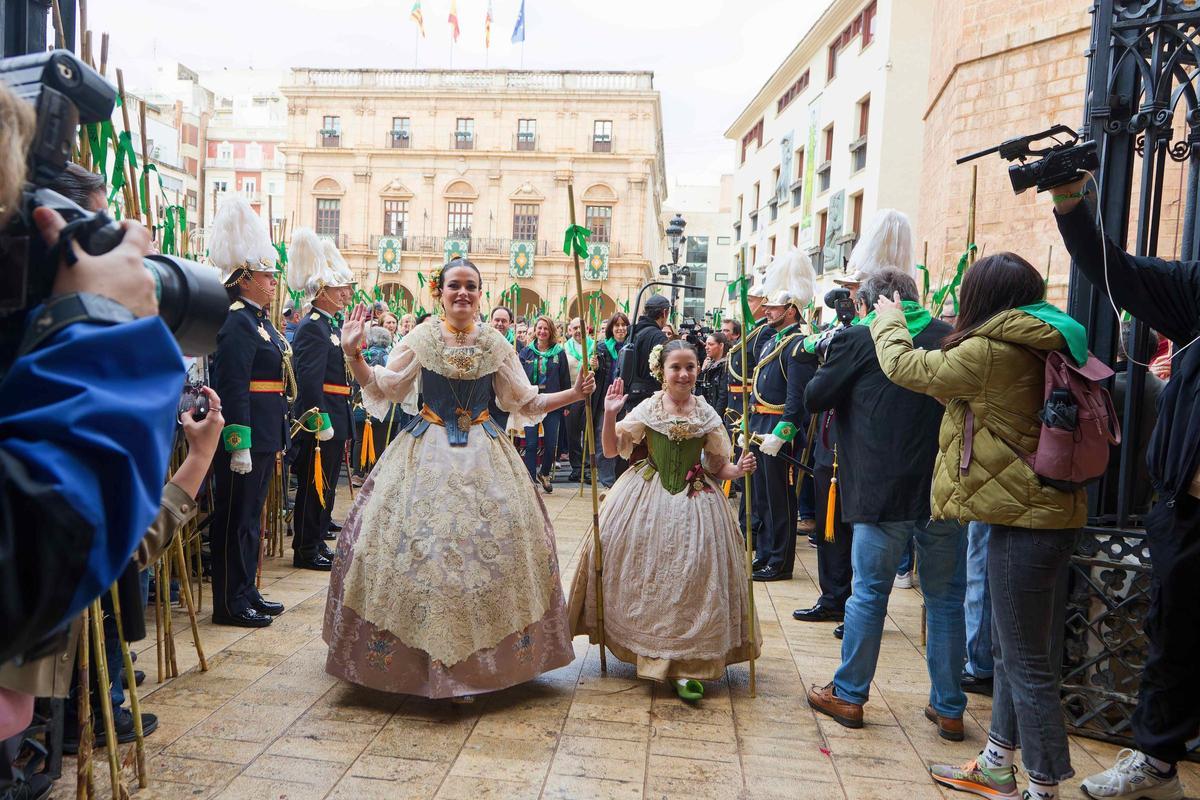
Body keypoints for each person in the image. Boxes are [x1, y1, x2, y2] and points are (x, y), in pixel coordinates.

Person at [864, 254, 1089, 800]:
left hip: (1023, 516)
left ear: (982, 296)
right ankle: (996, 763)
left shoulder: (994, 348)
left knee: (1027, 662)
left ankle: (1042, 786)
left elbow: (904, 369)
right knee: (1015, 652)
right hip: (1042, 509)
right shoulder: (1047, 337)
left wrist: (888, 318)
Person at [323, 258, 594, 699]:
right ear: (440, 292)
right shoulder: (421, 337)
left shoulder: (495, 342)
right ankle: (411, 663)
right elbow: (385, 386)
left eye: (471, 286)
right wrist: (353, 354)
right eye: (455, 286)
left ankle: (487, 664)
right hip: (424, 448)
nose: (462, 293)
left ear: (481, 293)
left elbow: (522, 399)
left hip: (486, 452)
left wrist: (574, 394)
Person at [1052, 177, 1197, 800]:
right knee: (1175, 640)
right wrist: (1070, 203)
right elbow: (1116, 272)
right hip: (1188, 513)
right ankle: (1158, 766)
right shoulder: (1196, 292)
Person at [802, 268, 967, 742]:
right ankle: (949, 707)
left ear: (874, 304)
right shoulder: (949, 336)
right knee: (945, 599)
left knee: (869, 595)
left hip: (881, 490)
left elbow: (816, 397)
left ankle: (850, 696)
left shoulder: (860, 337)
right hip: (941, 491)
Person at [568, 342, 759, 702]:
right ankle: (650, 655)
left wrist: (740, 469)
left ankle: (687, 664)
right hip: (645, 494)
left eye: (690, 367)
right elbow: (611, 450)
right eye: (676, 367)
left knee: (694, 575)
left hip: (697, 500)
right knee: (644, 572)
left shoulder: (706, 413)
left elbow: (719, 466)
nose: (683, 374)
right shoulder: (649, 408)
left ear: (698, 369)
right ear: (662, 371)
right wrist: (609, 414)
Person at [208, 197, 291, 627]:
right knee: (234, 516)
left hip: (265, 431)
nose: (272, 280)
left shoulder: (260, 321)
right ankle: (228, 600)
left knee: (250, 518)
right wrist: (236, 440)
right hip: (247, 433)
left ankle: (246, 589)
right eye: (265, 274)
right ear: (244, 279)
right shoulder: (238, 321)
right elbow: (233, 385)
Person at [287, 230, 355, 571]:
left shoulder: (328, 325)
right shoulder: (313, 327)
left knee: (325, 487)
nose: (346, 294)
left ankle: (315, 540)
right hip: (321, 418)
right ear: (322, 291)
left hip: (335, 413)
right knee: (314, 487)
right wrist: (320, 420)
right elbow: (310, 383)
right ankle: (306, 547)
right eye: (339, 288)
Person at [750, 251, 818, 582]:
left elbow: (798, 400)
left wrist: (783, 433)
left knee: (780, 500)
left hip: (778, 431)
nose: (766, 311)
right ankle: (765, 553)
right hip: (760, 426)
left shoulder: (799, 346)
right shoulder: (771, 341)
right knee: (762, 497)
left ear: (790, 310)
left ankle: (780, 561)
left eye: (773, 308)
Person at [520, 316, 571, 493]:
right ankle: (530, 478)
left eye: (546, 329)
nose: (542, 332)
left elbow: (565, 379)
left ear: (551, 332)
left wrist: (566, 404)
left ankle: (545, 473)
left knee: (551, 442)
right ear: (535, 330)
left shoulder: (559, 353)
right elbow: (518, 378)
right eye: (539, 328)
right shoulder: (526, 352)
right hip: (531, 402)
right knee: (531, 443)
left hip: (552, 402)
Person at [592, 312, 629, 488]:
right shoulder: (601, 348)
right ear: (611, 329)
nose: (620, 328)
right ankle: (607, 481)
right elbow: (594, 374)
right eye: (617, 325)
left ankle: (621, 478)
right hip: (605, 402)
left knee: (624, 439)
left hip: (625, 401)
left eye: (623, 325)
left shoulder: (632, 347)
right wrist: (594, 367)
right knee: (603, 438)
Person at [623, 295, 671, 413]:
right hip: (650, 400)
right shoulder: (658, 336)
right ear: (664, 313)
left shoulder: (632, 333)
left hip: (630, 397)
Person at [563, 317, 592, 483]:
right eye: (574, 328)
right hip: (571, 395)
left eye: (581, 327)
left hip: (590, 394)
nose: (578, 331)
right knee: (572, 432)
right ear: (569, 330)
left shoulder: (594, 346)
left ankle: (587, 467)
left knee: (588, 432)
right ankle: (576, 467)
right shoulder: (564, 348)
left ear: (587, 328)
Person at [697, 331, 730, 421]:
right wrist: (703, 370)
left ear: (721, 345)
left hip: (716, 415)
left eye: (711, 344)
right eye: (706, 344)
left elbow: (723, 396)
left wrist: (716, 419)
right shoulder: (709, 364)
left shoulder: (726, 366)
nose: (706, 347)